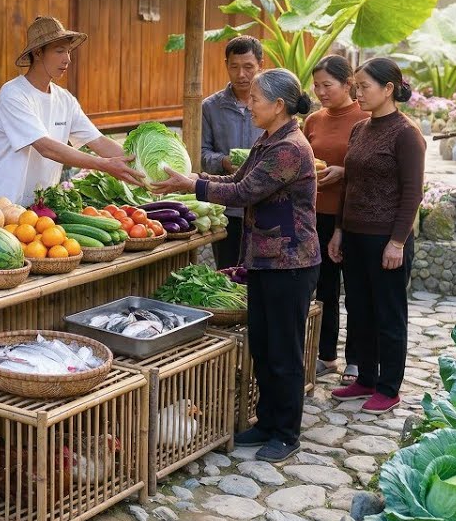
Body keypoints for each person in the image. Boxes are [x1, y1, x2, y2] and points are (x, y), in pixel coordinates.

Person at [153, 68, 320, 463]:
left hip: (290, 264)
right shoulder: (267, 140)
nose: (249, 105)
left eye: (257, 100)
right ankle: (266, 421)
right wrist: (194, 178)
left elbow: (245, 192)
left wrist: (192, 186)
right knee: (262, 345)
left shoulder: (290, 148)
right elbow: (238, 176)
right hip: (264, 261)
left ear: (279, 105)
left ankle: (286, 433)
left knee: (284, 351)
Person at [328, 57, 424, 414]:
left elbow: (413, 192)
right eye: (356, 85)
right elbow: (349, 184)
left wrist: (397, 242)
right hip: (354, 235)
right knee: (359, 310)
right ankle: (365, 378)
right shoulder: (360, 129)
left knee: (389, 314)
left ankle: (389, 386)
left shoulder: (406, 133)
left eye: (364, 86)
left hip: (387, 240)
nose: (358, 92)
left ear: (388, 89)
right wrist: (338, 230)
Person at [0, 16, 145, 206]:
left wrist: (142, 165)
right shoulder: (13, 94)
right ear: (38, 53)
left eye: (68, 52)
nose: (67, 59)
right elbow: (46, 147)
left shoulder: (64, 99)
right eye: (59, 51)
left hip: (39, 209)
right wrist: (103, 165)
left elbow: (97, 141)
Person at [302, 56, 368, 385]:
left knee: (355, 290)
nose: (321, 91)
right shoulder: (312, 121)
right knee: (323, 289)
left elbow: (374, 169)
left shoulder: (367, 118)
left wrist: (345, 173)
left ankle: (355, 359)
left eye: (328, 85)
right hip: (316, 215)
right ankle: (325, 355)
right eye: (316, 86)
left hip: (353, 218)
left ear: (347, 84)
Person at [201, 35, 266, 269]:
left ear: (261, 65)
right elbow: (201, 153)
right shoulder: (210, 107)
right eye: (234, 67)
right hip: (226, 209)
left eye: (248, 67)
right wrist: (224, 162)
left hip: (263, 210)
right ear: (226, 65)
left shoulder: (273, 105)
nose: (241, 75)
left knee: (258, 279)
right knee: (227, 275)